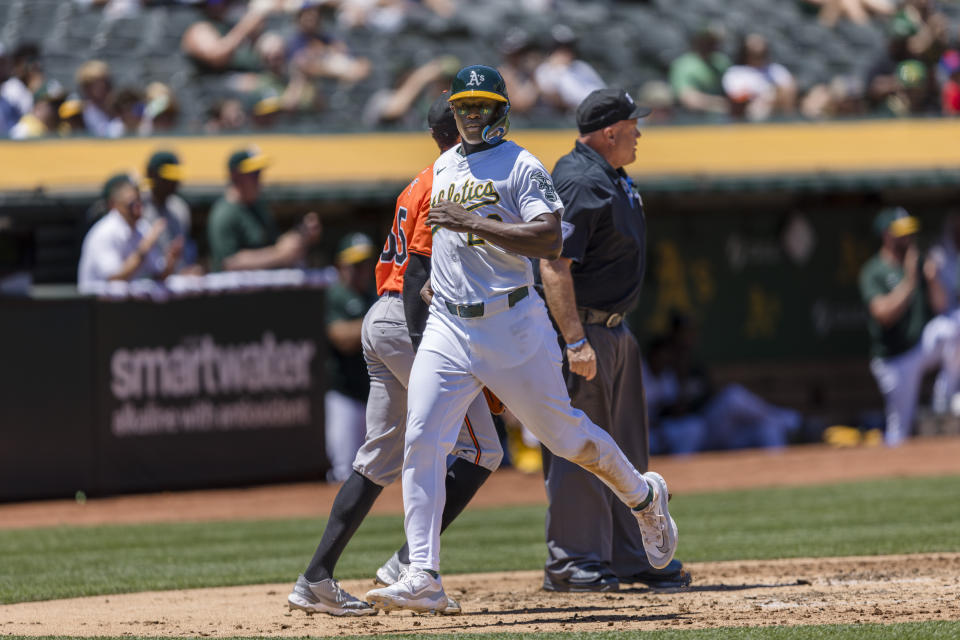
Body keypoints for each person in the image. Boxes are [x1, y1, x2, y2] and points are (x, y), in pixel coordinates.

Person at [364, 65, 678, 614]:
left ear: (501, 111)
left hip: (512, 324)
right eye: (464, 106)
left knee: (564, 438)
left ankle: (645, 497)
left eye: (482, 106)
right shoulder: (444, 165)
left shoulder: (522, 164)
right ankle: (422, 574)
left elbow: (551, 237)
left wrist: (475, 223)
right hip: (451, 326)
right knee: (423, 439)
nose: (471, 115)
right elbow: (443, 244)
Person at [287, 95, 502, 616]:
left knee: (377, 459)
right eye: (470, 120)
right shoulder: (446, 182)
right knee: (482, 451)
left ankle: (315, 578)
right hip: (411, 322)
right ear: (455, 129)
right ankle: (410, 563)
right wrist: (430, 345)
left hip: (382, 320)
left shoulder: (418, 181)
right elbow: (418, 280)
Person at [537, 87, 689, 593]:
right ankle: (574, 559)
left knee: (623, 449)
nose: (639, 132)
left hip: (615, 328)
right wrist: (574, 340)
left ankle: (633, 553)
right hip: (584, 330)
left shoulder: (610, 175)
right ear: (609, 132)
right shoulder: (579, 179)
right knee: (580, 445)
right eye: (632, 125)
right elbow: (555, 264)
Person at [859, 206, 960, 446]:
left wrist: (932, 279)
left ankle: (945, 397)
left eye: (910, 232)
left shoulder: (919, 264)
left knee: (953, 326)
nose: (909, 238)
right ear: (887, 235)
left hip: (919, 348)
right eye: (902, 233)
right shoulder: (874, 270)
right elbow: (883, 314)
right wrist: (910, 281)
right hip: (893, 360)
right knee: (899, 432)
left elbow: (941, 305)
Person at [207, 147, 321, 271]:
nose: (258, 180)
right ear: (236, 176)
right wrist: (279, 254)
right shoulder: (224, 213)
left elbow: (273, 245)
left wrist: (300, 238)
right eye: (253, 174)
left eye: (259, 173)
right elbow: (230, 263)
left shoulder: (258, 206)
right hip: (236, 290)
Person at [324, 233, 378, 483]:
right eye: (354, 265)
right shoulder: (337, 295)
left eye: (365, 263)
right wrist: (379, 323)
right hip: (345, 396)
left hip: (377, 395)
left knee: (384, 469)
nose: (361, 271)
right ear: (340, 266)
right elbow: (342, 338)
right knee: (345, 470)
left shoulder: (376, 293)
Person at [77, 174, 181, 292]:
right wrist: (144, 248)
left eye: (139, 202)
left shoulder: (142, 228)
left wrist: (171, 260)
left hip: (127, 306)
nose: (138, 208)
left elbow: (158, 276)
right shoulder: (104, 232)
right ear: (114, 205)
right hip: (95, 306)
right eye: (131, 204)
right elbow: (115, 279)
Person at [142, 151, 200, 275]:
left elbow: (184, 254)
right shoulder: (139, 209)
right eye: (167, 178)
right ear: (152, 175)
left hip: (176, 283)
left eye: (175, 178)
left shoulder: (180, 208)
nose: (173, 183)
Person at [721, 33, 797, 121]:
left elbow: (789, 90)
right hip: (747, 114)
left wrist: (771, 97)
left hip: (776, 109)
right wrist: (760, 97)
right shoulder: (736, 72)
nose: (758, 46)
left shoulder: (776, 70)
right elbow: (737, 98)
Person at [668, 24, 730, 117]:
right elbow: (688, 99)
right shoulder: (685, 65)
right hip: (693, 120)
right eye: (708, 40)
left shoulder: (721, 62)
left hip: (725, 120)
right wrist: (721, 104)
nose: (711, 44)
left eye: (714, 41)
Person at [75, 60, 123, 138]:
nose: (102, 86)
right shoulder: (79, 114)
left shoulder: (120, 109)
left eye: (104, 81)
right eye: (94, 83)